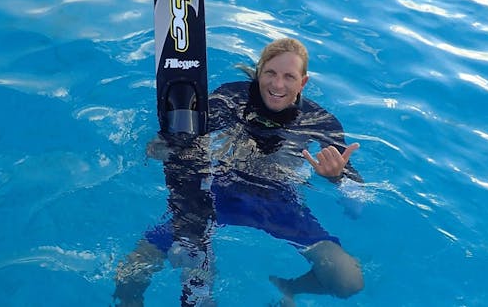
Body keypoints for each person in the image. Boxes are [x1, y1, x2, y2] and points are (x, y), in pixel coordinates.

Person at [113, 38, 364, 306]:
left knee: (348, 280)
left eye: (289, 76)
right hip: (219, 190)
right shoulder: (232, 96)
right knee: (131, 271)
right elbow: (195, 130)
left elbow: (356, 201)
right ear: (259, 73)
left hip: (278, 203)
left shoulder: (320, 121)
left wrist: (335, 177)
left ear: (303, 82)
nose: (278, 85)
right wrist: (168, 144)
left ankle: (288, 287)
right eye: (270, 73)